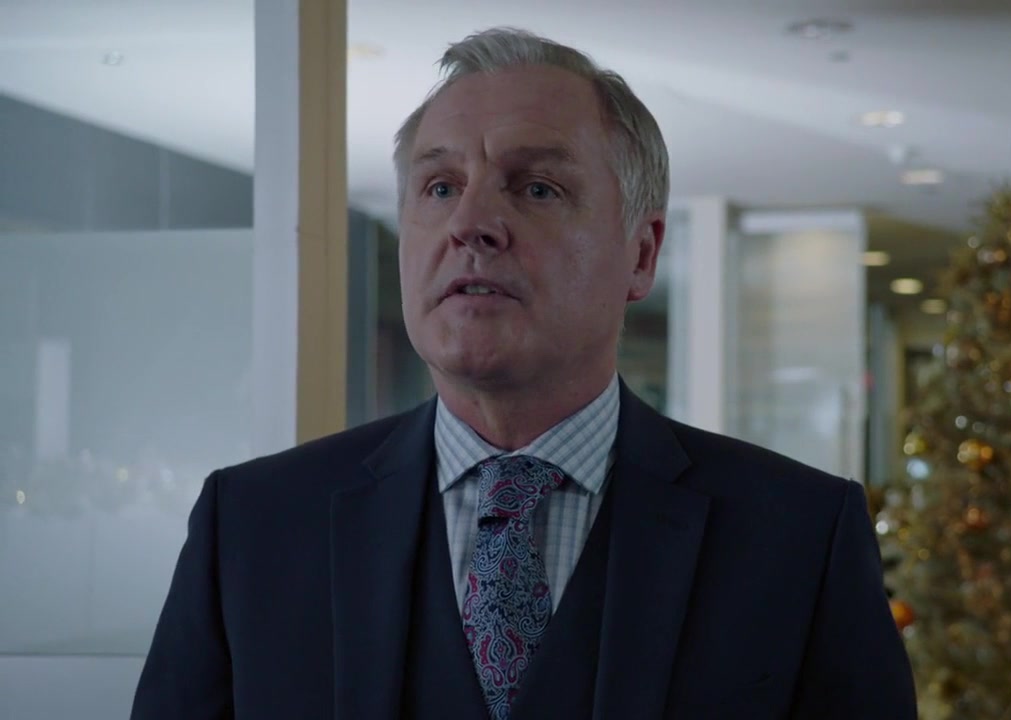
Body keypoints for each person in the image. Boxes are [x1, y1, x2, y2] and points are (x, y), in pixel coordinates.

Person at [131, 26, 916, 720]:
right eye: (440, 187)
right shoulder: (254, 527)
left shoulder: (798, 539)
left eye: (537, 188)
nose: (471, 223)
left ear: (641, 254)